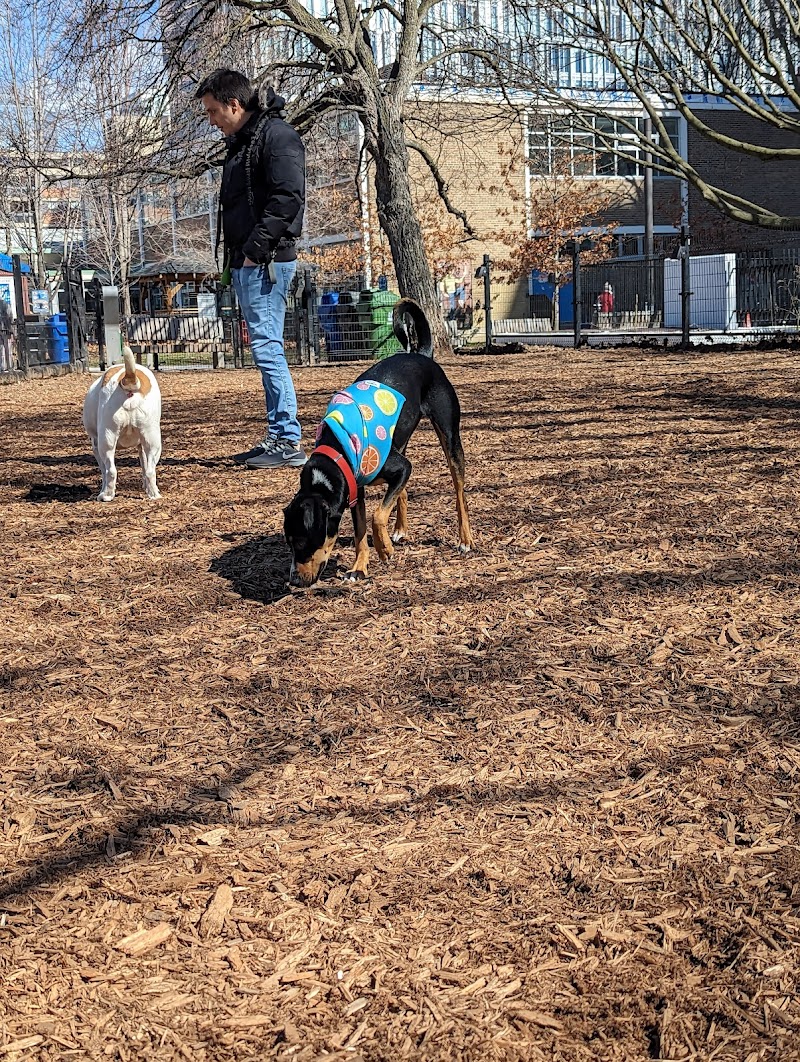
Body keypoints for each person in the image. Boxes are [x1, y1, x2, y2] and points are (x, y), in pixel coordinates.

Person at [197, 68, 307, 469]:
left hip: (266, 263)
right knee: (265, 350)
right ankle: (279, 436)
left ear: (234, 105)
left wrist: (254, 251)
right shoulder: (244, 142)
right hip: (250, 262)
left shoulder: (277, 137)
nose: (211, 121)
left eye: (212, 112)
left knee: (267, 349)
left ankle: (288, 440)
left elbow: (288, 198)